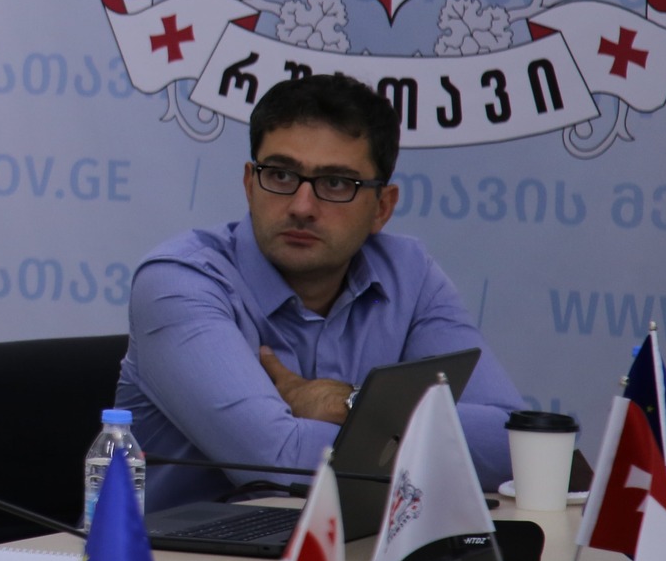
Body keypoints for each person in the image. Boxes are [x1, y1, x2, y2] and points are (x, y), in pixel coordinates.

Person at [115, 74, 525, 509]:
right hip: (182, 549)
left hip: (358, 543)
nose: (301, 207)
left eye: (336, 184)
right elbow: (278, 465)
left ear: (382, 207)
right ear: (250, 184)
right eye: (280, 175)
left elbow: (517, 443)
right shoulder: (180, 281)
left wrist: (345, 402)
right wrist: (394, 426)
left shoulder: (409, 273)